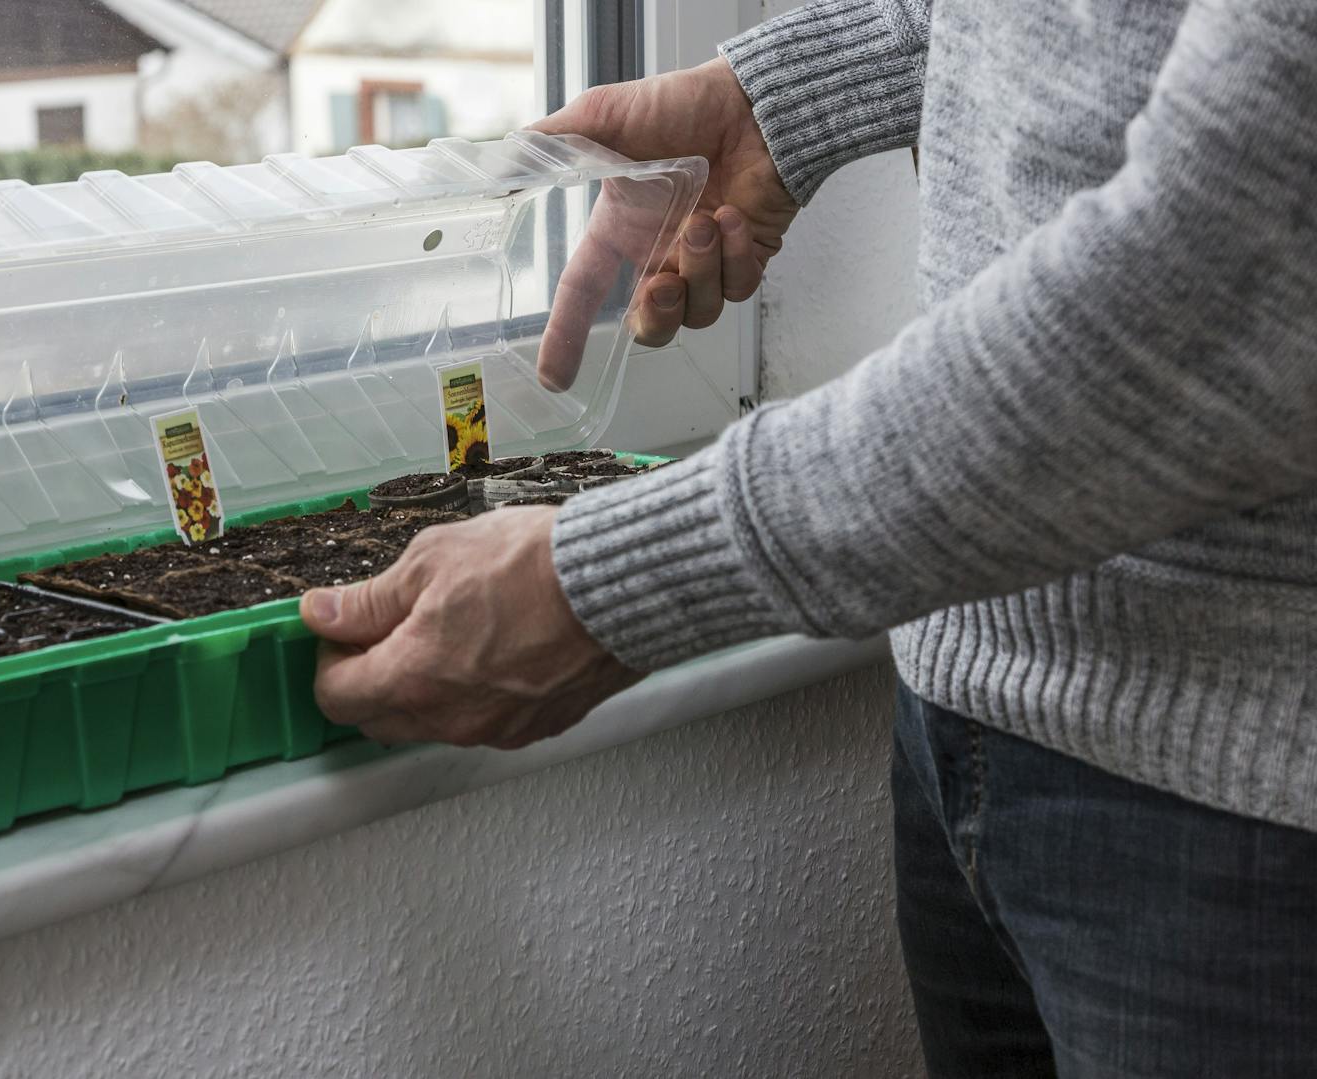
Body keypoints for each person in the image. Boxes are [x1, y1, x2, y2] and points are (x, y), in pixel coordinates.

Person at [297, 0, 1317, 1074]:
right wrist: (787, 98)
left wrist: (613, 581)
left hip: (1245, 805)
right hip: (966, 698)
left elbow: (1236, 286)